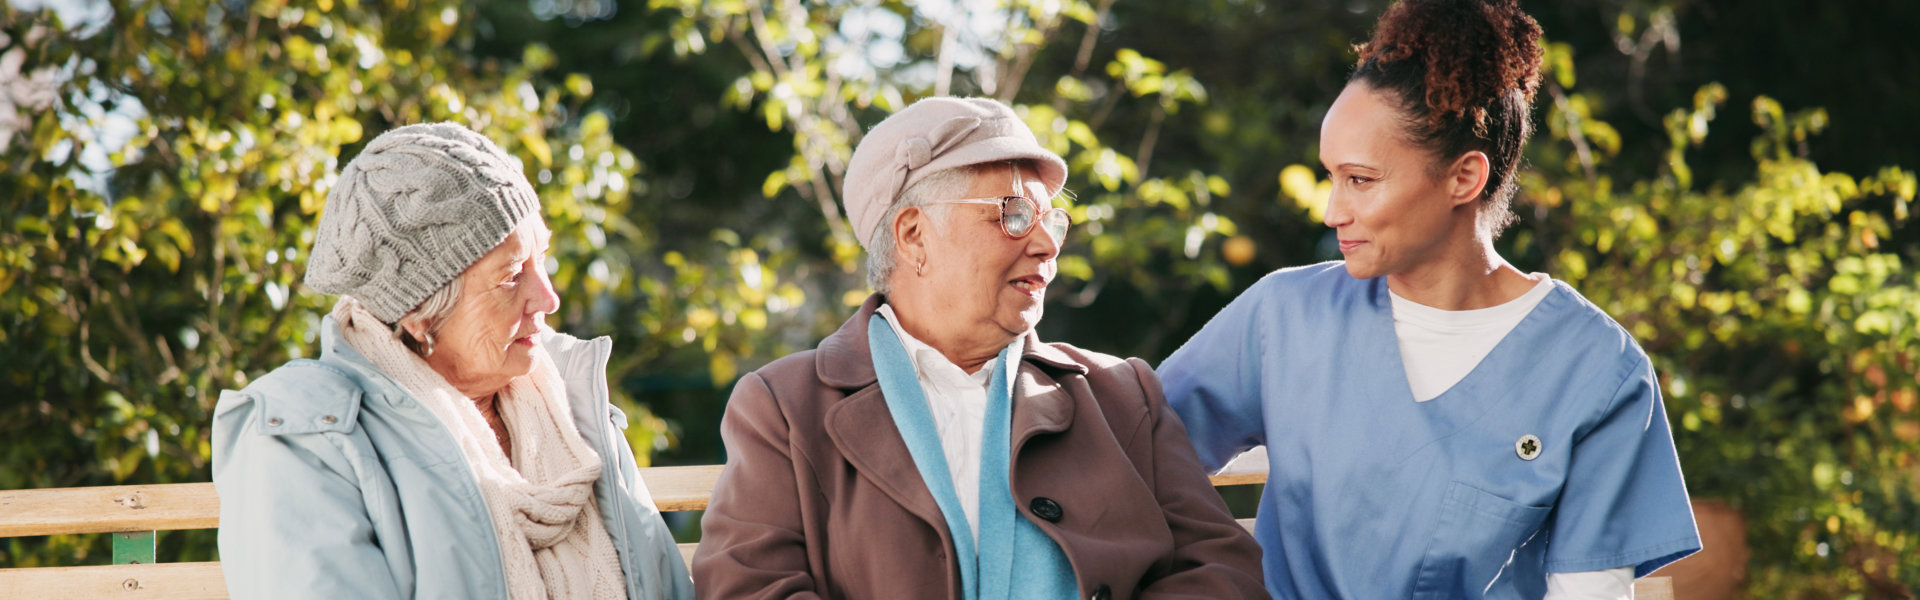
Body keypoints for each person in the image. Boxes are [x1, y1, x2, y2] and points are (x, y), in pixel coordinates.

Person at [1157, 1, 1701, 598]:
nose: (1331, 211)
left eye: (1360, 180)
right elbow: (1131, 454)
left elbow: (1588, 592)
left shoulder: (1597, 372)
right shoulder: (1283, 316)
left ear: (1464, 178)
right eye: (1330, 177)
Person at [692, 97, 1267, 600]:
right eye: (1014, 215)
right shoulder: (785, 407)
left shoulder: (1121, 392)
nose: (1046, 245)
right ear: (914, 235)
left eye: (1053, 221)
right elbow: (746, 587)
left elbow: (1222, 571)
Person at [212, 123, 693, 600]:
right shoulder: (302, 437)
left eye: (541, 258)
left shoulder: (572, 401)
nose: (547, 298)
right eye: (509, 277)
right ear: (419, 313)